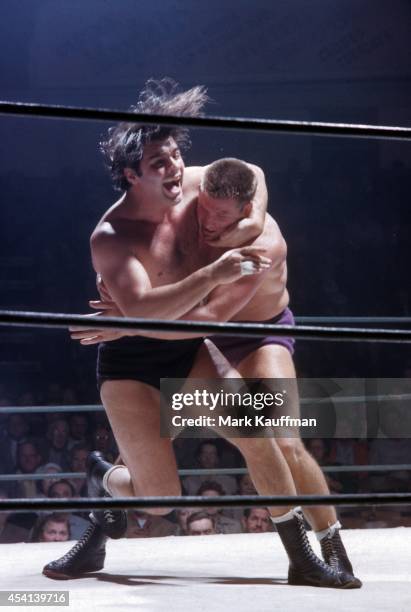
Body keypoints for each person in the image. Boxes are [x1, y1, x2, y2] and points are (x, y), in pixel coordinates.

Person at [44, 79, 358, 588]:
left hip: (193, 344)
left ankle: (304, 557)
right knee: (161, 498)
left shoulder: (199, 187)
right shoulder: (112, 236)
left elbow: (250, 172)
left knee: (262, 436)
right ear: (130, 175)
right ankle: (108, 481)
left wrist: (250, 220)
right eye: (158, 164)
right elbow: (145, 310)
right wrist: (206, 276)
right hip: (131, 361)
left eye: (174, 156)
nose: (173, 170)